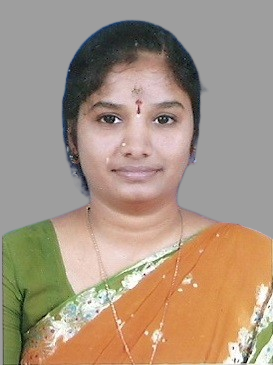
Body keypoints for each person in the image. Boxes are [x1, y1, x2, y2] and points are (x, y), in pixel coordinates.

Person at [3, 20, 272, 365]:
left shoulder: (257, 264)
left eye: (163, 120)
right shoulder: (15, 259)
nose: (137, 146)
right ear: (72, 136)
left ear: (194, 136)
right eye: (110, 119)